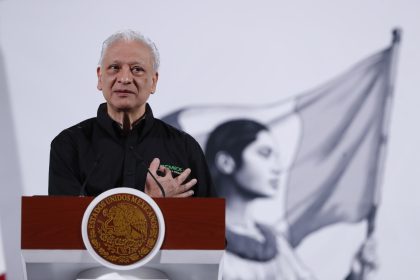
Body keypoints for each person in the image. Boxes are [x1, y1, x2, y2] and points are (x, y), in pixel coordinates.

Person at [48, 30, 213, 198]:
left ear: (153, 81)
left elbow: (208, 221)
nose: (125, 78)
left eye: (137, 69)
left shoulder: (184, 148)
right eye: (114, 68)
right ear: (100, 77)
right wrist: (151, 203)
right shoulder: (69, 145)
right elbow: (64, 221)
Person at [205, 119, 316, 280]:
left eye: (276, 157)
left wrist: (358, 270)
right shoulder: (193, 238)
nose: (277, 168)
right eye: (265, 154)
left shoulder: (276, 242)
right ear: (226, 162)